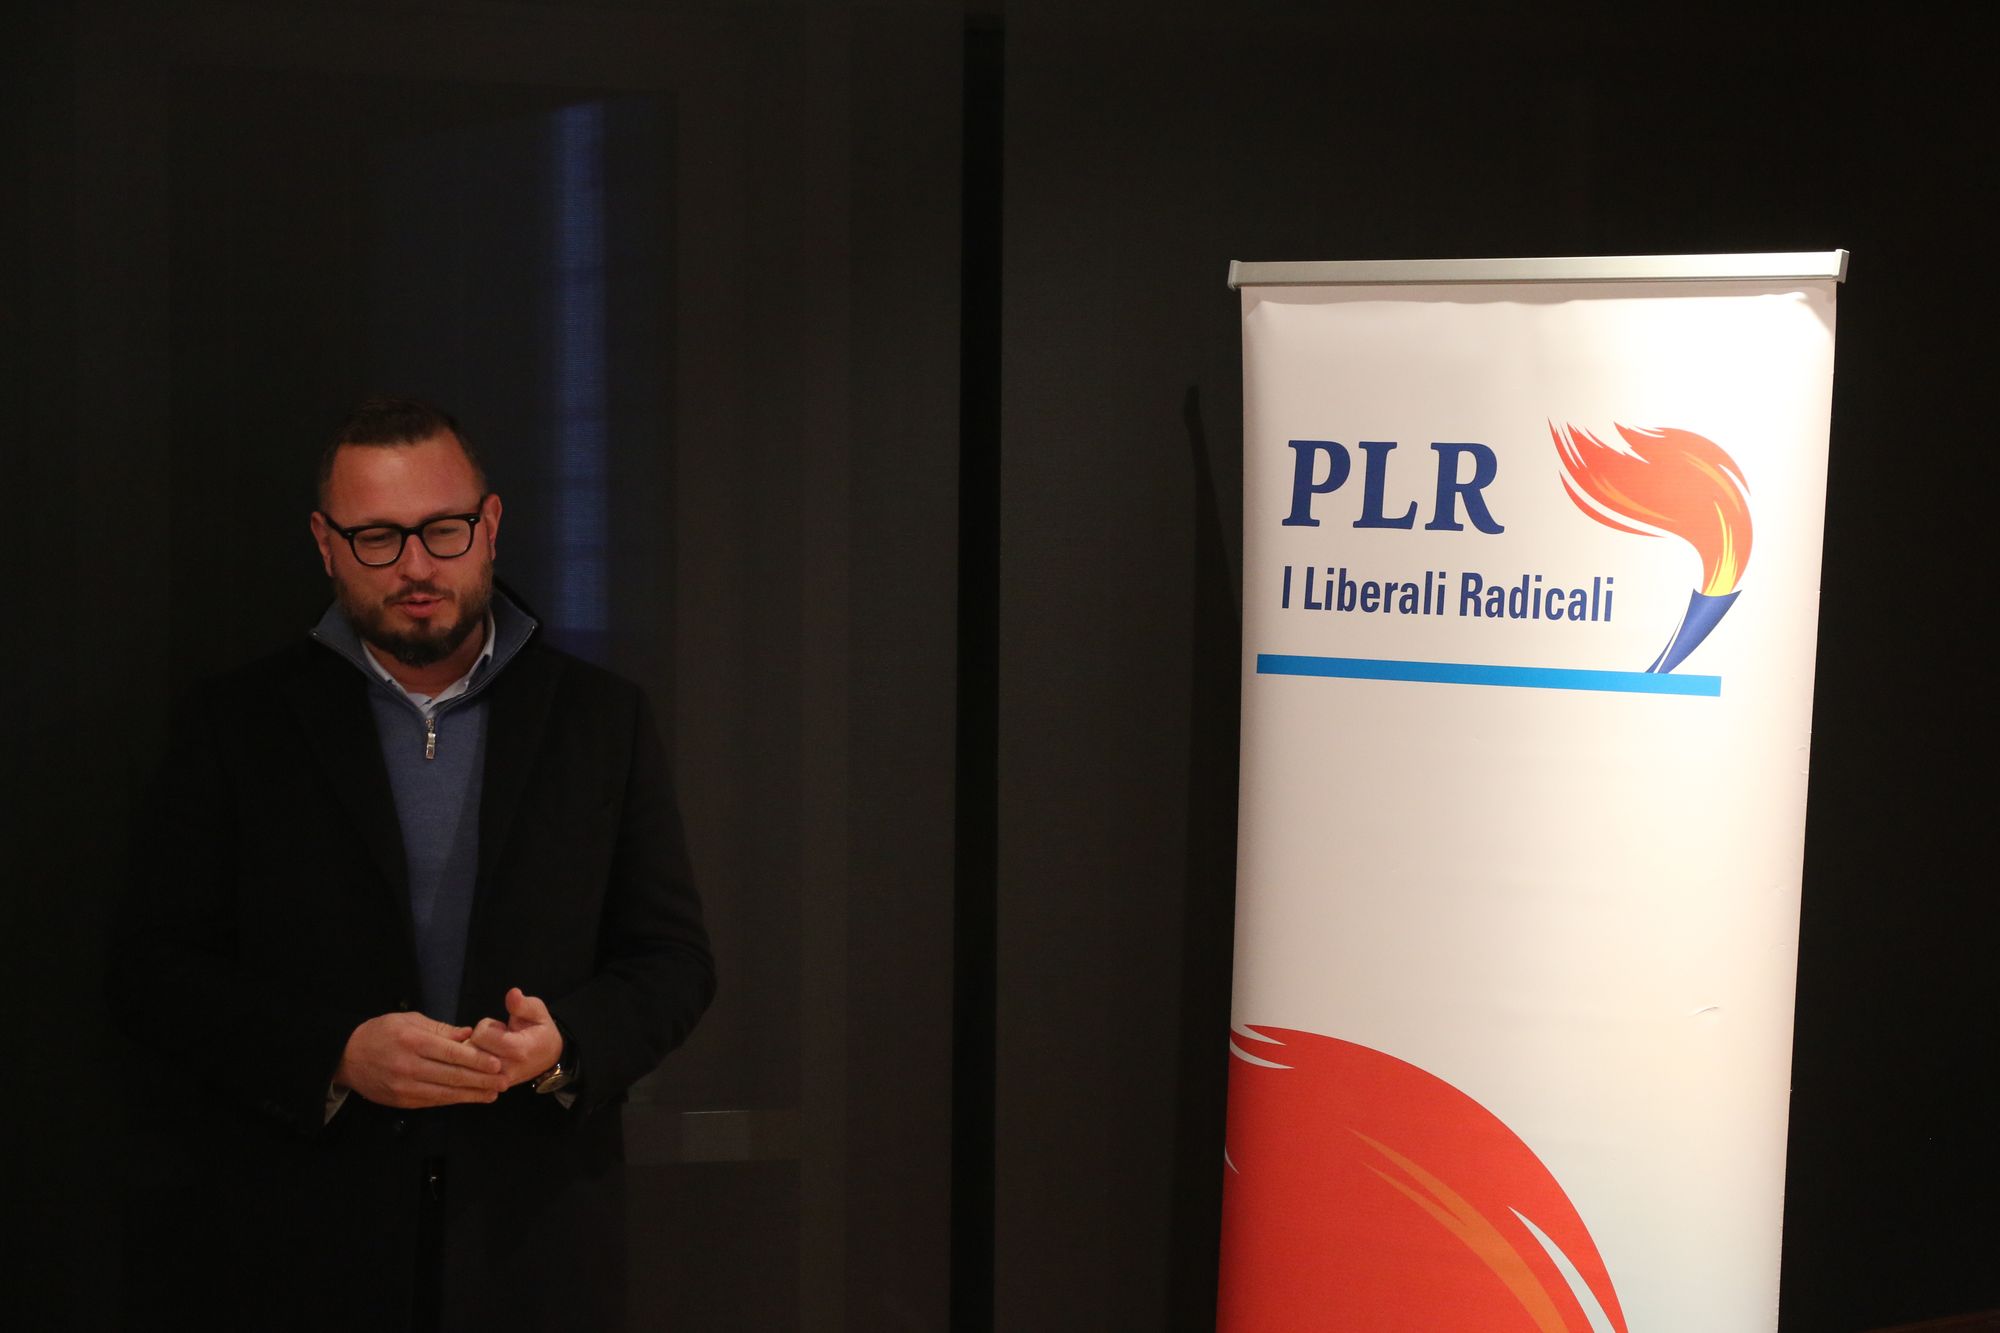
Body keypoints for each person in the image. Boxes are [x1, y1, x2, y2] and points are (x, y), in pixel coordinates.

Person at [111, 395, 714, 1331]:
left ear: (491, 524)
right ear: (326, 543)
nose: (418, 566)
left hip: (538, 1248)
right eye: (378, 538)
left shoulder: (602, 720)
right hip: (298, 1248)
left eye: (442, 529)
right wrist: (337, 1054)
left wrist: (563, 1046)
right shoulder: (236, 727)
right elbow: (155, 970)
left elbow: (673, 961)